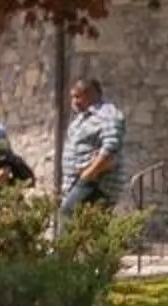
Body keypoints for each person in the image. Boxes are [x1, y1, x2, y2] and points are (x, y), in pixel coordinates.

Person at [58, 75, 125, 223]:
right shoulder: (82, 118)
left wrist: (88, 174)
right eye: (72, 97)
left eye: (77, 97)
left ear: (90, 94)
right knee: (80, 224)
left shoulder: (107, 115)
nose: (73, 102)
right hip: (79, 182)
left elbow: (111, 148)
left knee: (68, 214)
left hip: (96, 183)